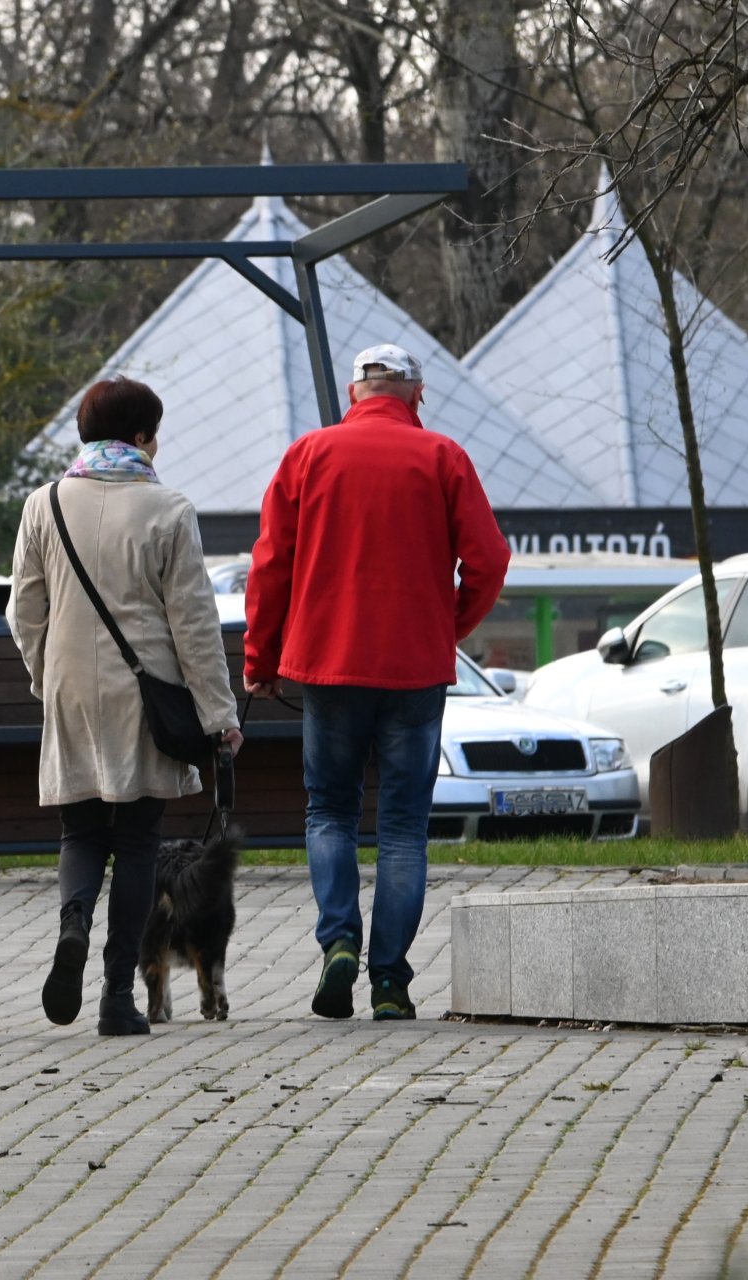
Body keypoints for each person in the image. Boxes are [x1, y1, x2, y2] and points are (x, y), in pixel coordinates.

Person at [245, 344, 509, 1021]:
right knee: (402, 830)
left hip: (327, 664)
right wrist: (445, 627)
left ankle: (338, 941)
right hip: (414, 671)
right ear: (416, 395)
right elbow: (488, 560)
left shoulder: (307, 455)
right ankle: (390, 980)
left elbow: (270, 565)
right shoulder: (443, 458)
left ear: (352, 393)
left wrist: (260, 662)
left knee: (329, 811)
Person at [9, 376, 242, 1037]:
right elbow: (194, 624)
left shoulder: (43, 505)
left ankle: (73, 923)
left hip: (70, 689)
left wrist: (44, 675)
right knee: (138, 842)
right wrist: (219, 716)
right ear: (141, 437)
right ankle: (117, 997)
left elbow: (23, 611)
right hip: (146, 696)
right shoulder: (168, 510)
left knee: (80, 832)